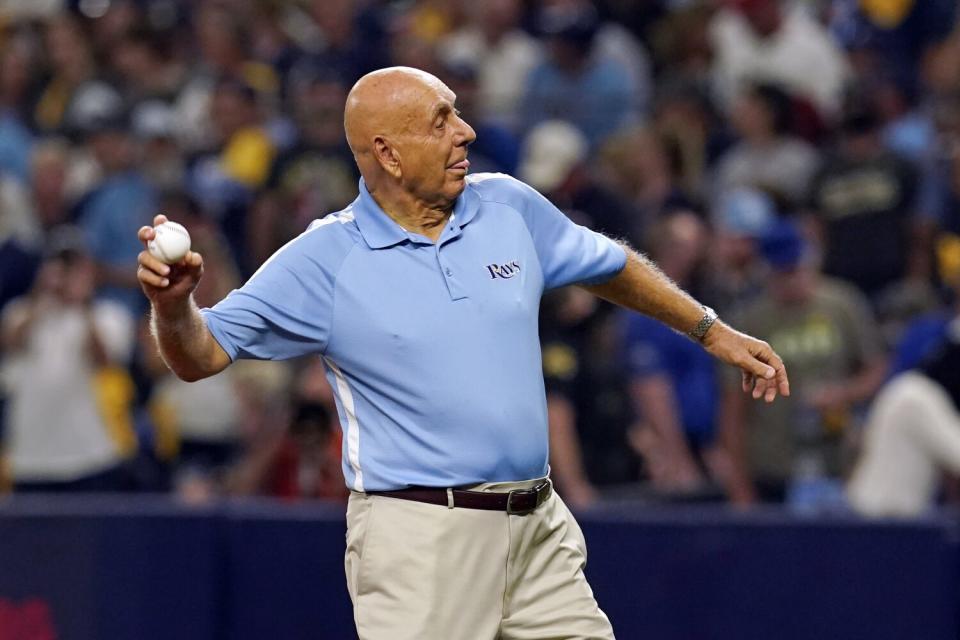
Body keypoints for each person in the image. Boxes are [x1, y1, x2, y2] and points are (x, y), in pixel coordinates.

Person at [137, 66, 789, 639]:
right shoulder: (326, 259)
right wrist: (173, 308)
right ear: (388, 155)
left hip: (538, 526)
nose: (467, 132)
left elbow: (610, 264)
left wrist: (710, 329)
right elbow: (203, 353)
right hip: (423, 540)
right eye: (441, 120)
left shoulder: (508, 206)